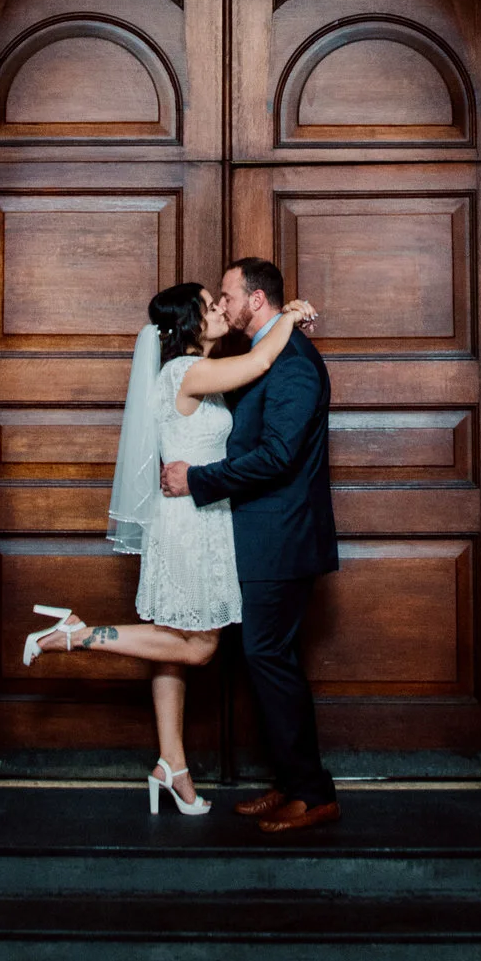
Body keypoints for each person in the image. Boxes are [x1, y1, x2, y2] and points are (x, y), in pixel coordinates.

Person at [23, 281, 316, 815]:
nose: (219, 308)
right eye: (209, 305)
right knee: (199, 646)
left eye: (219, 299)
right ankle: (78, 634)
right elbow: (259, 362)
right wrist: (291, 317)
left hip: (191, 517)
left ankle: (172, 764)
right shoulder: (187, 371)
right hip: (191, 524)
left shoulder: (190, 372)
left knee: (171, 642)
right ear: (188, 323)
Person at [160, 257, 340, 835]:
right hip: (262, 537)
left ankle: (312, 794)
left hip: (280, 539)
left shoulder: (292, 364)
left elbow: (277, 457)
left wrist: (198, 480)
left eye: (229, 295)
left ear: (256, 299)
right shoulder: (267, 355)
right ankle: (292, 781)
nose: (224, 305)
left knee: (269, 659)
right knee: (269, 660)